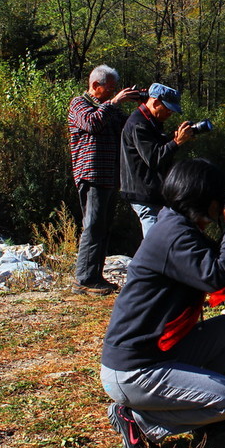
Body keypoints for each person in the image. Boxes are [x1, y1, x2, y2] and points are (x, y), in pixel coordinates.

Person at [100, 158, 225, 448]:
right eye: (220, 198)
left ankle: (214, 422)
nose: (224, 205)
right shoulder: (175, 236)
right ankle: (140, 421)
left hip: (155, 354)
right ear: (205, 200)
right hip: (134, 370)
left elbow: (219, 281)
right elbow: (215, 279)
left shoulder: (176, 227)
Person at [67, 65, 146, 295]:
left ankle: (94, 276)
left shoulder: (108, 108)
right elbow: (92, 123)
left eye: (114, 90)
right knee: (92, 226)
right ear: (95, 86)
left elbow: (128, 127)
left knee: (102, 228)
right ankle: (84, 279)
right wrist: (114, 103)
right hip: (91, 175)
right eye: (109, 88)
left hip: (110, 176)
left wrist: (142, 104)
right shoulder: (79, 104)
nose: (112, 93)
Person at [120, 82, 194, 238]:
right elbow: (155, 159)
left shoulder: (151, 121)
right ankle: (151, 262)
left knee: (161, 237)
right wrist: (177, 142)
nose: (170, 113)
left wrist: (172, 138)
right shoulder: (139, 123)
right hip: (143, 193)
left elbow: (156, 149)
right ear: (154, 102)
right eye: (167, 108)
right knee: (154, 241)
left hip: (151, 192)